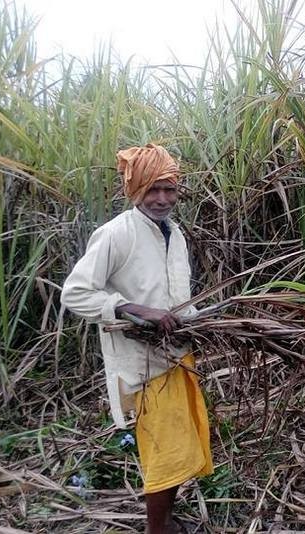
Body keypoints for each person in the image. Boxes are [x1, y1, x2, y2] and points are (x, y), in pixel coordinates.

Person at [60, 144, 213, 534]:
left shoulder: (174, 234)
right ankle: (156, 529)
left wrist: (199, 323)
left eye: (170, 189)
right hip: (144, 365)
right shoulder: (115, 234)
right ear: (135, 191)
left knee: (179, 447)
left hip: (177, 355)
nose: (162, 199)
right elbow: (75, 293)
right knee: (165, 452)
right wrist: (132, 308)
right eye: (152, 190)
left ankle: (163, 519)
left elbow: (177, 297)